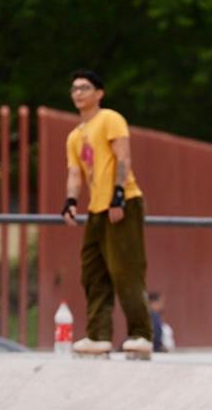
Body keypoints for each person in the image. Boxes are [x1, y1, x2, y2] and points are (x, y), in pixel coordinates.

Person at [61, 69, 153, 358]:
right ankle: (98, 336)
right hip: (96, 209)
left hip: (123, 202)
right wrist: (71, 200)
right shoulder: (75, 136)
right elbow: (75, 173)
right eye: (74, 88)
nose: (78, 93)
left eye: (85, 87)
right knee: (93, 271)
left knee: (126, 269)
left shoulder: (110, 119)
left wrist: (119, 194)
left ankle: (141, 335)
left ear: (99, 93)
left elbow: (122, 156)